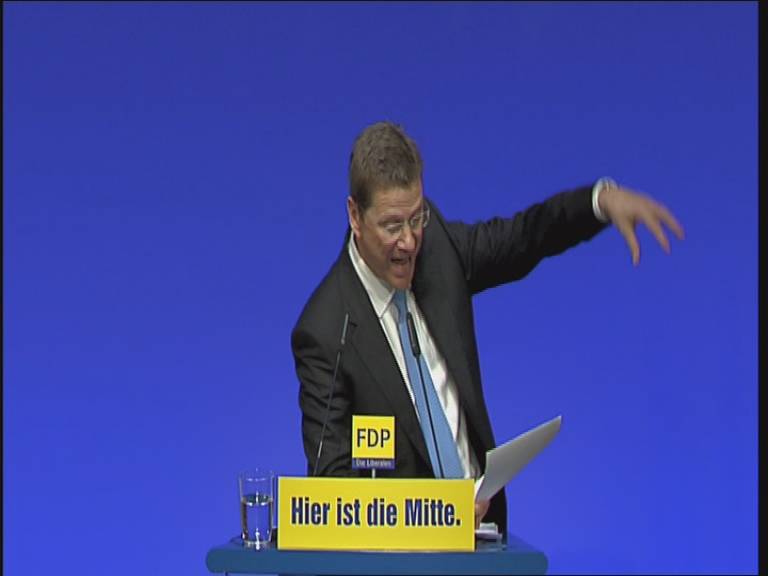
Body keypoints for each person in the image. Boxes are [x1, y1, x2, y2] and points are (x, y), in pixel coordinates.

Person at [291, 121, 684, 535]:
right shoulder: (325, 331)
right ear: (355, 215)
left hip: (484, 541)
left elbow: (523, 237)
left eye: (417, 217)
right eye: (392, 226)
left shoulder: (437, 247)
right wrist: (439, 515)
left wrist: (599, 202)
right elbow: (331, 493)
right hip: (404, 554)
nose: (409, 241)